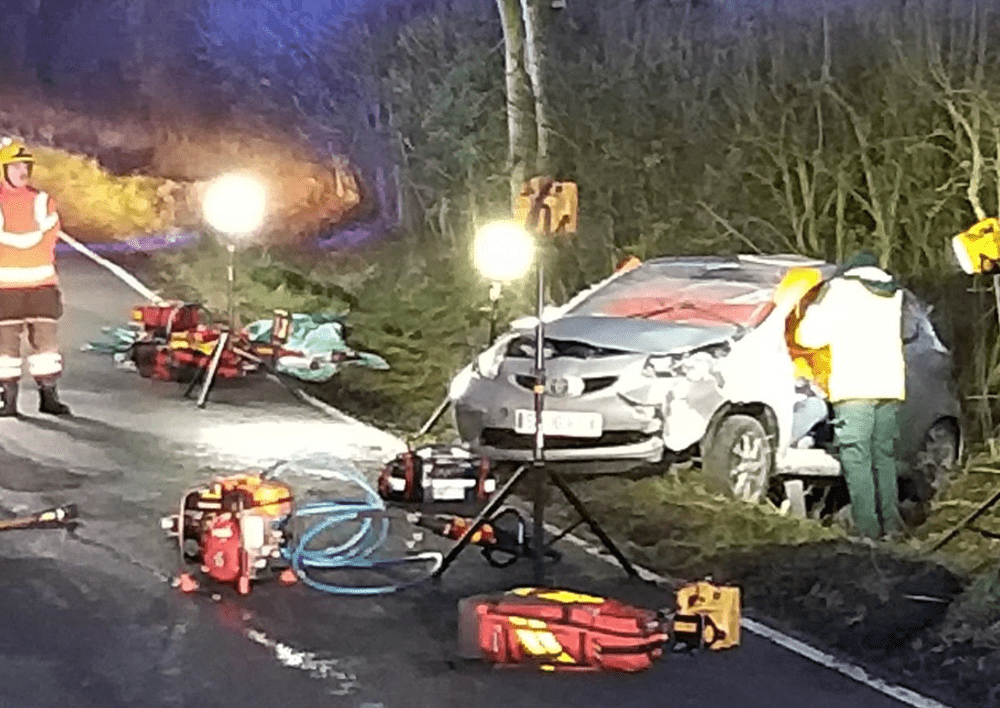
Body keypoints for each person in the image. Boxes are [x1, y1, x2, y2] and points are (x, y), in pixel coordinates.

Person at [795, 251, 905, 540]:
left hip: (854, 385)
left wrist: (814, 307)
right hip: (890, 386)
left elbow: (808, 336)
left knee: (856, 457)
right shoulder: (894, 293)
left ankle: (867, 531)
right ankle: (893, 527)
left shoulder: (840, 290)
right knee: (884, 457)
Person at [0, 137, 71, 417]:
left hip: (40, 288)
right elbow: (43, 240)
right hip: (7, 289)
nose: (22, 171)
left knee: (46, 349)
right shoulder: (44, 204)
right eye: (15, 166)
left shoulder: (43, 200)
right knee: (5, 350)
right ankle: (7, 400)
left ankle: (49, 396)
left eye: (25, 165)